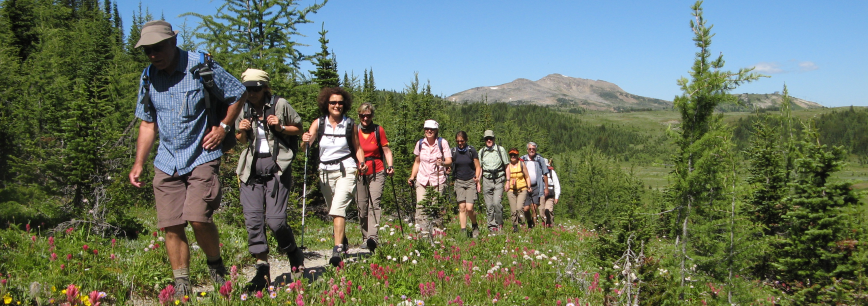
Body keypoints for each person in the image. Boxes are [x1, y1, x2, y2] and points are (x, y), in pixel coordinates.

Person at [128, 20, 246, 297]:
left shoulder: (200, 65)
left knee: (197, 217)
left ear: (172, 42)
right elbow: (147, 123)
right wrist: (139, 163)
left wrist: (224, 127)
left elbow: (237, 93)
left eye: (157, 48)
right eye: (147, 50)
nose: (153, 55)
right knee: (170, 223)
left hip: (202, 154)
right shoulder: (148, 77)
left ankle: (216, 266)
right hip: (167, 159)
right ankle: (182, 283)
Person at [234, 68, 304, 291]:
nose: (251, 93)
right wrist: (242, 130)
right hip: (251, 171)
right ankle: (261, 271)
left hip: (277, 168)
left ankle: (292, 251)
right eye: (247, 89)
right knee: (253, 220)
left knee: (275, 221)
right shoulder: (242, 107)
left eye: (255, 88)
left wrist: (280, 126)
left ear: (264, 87)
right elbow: (239, 139)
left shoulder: (280, 105)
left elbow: (298, 128)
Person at [301, 87, 364, 267]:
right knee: (333, 211)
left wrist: (361, 163)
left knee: (338, 208)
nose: (337, 105)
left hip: (347, 169)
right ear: (326, 104)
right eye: (333, 102)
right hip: (325, 172)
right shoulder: (318, 123)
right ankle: (342, 242)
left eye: (340, 103)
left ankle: (337, 250)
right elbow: (307, 145)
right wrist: (305, 141)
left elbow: (357, 147)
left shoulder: (350, 124)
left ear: (345, 105)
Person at [354, 102, 394, 254]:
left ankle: (372, 238)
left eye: (368, 115)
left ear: (372, 116)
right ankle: (365, 238)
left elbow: (386, 150)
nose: (365, 118)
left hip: (377, 170)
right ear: (359, 115)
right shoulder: (355, 131)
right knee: (362, 206)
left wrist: (390, 165)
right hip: (359, 172)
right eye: (363, 115)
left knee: (374, 204)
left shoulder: (378, 130)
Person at [408, 120, 452, 237]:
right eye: (427, 129)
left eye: (431, 129)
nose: (429, 131)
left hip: (438, 180)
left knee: (436, 207)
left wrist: (442, 163)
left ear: (436, 131)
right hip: (422, 179)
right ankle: (422, 235)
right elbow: (417, 161)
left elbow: (449, 161)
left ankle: (437, 235)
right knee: (421, 206)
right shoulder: (420, 143)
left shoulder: (442, 143)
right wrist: (412, 177)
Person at [450, 131, 481, 238]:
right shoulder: (453, 151)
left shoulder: (471, 150)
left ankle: (474, 225)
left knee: (469, 208)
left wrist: (477, 177)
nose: (460, 143)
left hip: (470, 181)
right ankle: (463, 231)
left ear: (466, 140)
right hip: (459, 181)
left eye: (462, 141)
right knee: (462, 207)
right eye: (458, 141)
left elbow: (478, 166)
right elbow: (450, 164)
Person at [478, 130, 509, 232]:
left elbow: (506, 165)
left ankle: (499, 224)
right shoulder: (482, 152)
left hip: (499, 179)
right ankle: (492, 227)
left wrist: (508, 180)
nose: (489, 140)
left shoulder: (500, 150)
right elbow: (480, 168)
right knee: (489, 206)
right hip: (486, 180)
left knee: (496, 203)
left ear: (494, 139)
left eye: (490, 138)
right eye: (487, 138)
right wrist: (478, 181)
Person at [520, 142, 549, 228]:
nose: (531, 150)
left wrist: (546, 188)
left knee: (534, 208)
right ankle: (529, 222)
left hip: (537, 186)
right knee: (526, 208)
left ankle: (534, 226)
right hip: (525, 186)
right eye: (530, 149)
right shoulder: (522, 159)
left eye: (533, 149)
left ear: (536, 150)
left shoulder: (540, 159)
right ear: (527, 150)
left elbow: (545, 173)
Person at [504, 148, 531, 232]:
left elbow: (527, 176)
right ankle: (515, 226)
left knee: (519, 208)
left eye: (514, 155)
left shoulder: (522, 164)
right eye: (511, 155)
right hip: (511, 189)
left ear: (517, 155)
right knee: (513, 210)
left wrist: (529, 186)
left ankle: (523, 223)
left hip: (522, 189)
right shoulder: (507, 166)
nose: (513, 156)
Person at [540, 158, 561, 227]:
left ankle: (551, 224)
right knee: (541, 211)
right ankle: (545, 224)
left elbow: (557, 185)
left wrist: (556, 197)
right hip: (541, 194)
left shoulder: (552, 172)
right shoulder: (538, 172)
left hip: (550, 194)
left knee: (548, 210)